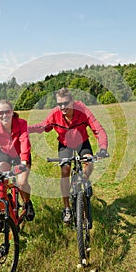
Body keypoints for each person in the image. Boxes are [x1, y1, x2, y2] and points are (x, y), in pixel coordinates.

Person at [28, 87, 108, 223]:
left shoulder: (82, 110)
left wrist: (103, 148)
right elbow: (43, 127)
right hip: (65, 144)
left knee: (89, 162)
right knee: (65, 171)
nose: (62, 107)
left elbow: (98, 129)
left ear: (72, 101)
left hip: (82, 141)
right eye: (59, 104)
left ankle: (84, 180)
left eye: (65, 103)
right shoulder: (55, 114)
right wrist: (24, 129)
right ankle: (66, 208)